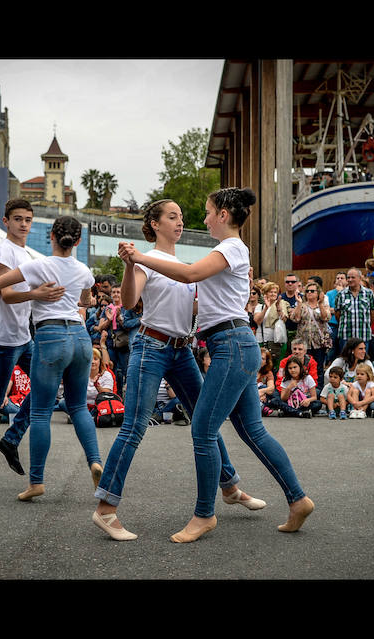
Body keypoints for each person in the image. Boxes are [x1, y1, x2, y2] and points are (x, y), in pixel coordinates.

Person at [117, 187, 314, 542]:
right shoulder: (229, 252)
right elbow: (199, 297)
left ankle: (204, 515)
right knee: (253, 431)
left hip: (231, 346)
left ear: (223, 214)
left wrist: (140, 258)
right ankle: (297, 499)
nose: (203, 219)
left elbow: (190, 274)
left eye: (208, 212)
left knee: (203, 431)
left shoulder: (230, 247)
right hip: (236, 344)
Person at [92, 199, 265, 541]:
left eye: (182, 217)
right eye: (172, 217)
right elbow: (128, 303)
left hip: (183, 349)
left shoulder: (185, 264)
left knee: (207, 422)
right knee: (134, 427)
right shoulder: (146, 259)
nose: (180, 222)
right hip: (151, 347)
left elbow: (194, 303)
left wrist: (237, 291)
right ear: (155, 224)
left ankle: (229, 488)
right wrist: (130, 265)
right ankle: (105, 509)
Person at [0, 216, 103, 502]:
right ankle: (95, 461)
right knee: (78, 408)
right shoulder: (84, 270)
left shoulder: (37, 265)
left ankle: (36, 482)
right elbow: (86, 301)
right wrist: (75, 296)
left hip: (50, 337)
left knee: (39, 412)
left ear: (51, 236)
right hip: (80, 338)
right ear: (77, 241)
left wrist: (35, 293)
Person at [335, 268, 374, 348]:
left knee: (362, 360)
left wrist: (365, 324)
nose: (350, 280)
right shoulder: (340, 294)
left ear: (360, 278)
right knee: (346, 360)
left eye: (353, 277)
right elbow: (338, 315)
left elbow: (373, 314)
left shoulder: (369, 293)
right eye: (348, 277)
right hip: (345, 336)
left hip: (363, 335)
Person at [293, 280, 332, 367]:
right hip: (304, 343)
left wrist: (321, 304)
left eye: (312, 291)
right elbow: (296, 319)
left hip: (319, 343)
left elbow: (325, 318)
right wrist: (299, 304)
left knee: (319, 368)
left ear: (318, 293)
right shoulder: (302, 305)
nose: (309, 293)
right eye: (307, 291)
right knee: (304, 367)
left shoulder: (323, 305)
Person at [253, 281, 290, 365]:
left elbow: (284, 319)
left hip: (277, 341)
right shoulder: (260, 306)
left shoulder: (281, 304)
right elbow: (257, 321)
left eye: (275, 292)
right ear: (265, 293)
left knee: (276, 367)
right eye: (271, 292)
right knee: (262, 366)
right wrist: (266, 308)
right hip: (262, 341)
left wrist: (278, 309)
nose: (273, 294)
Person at [324, 271, 347, 365]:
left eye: (342, 278)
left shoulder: (348, 293)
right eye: (338, 278)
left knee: (343, 349)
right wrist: (334, 310)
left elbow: (344, 308)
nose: (339, 280)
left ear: (347, 281)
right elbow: (327, 309)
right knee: (331, 349)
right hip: (332, 325)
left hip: (345, 325)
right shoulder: (329, 293)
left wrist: (335, 310)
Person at [257, 347, 278, 416]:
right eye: (258, 357)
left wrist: (261, 392)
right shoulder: (248, 371)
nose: (259, 360)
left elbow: (271, 388)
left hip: (263, 398)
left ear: (266, 362)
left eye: (262, 359)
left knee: (264, 387)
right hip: (250, 396)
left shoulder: (268, 373)